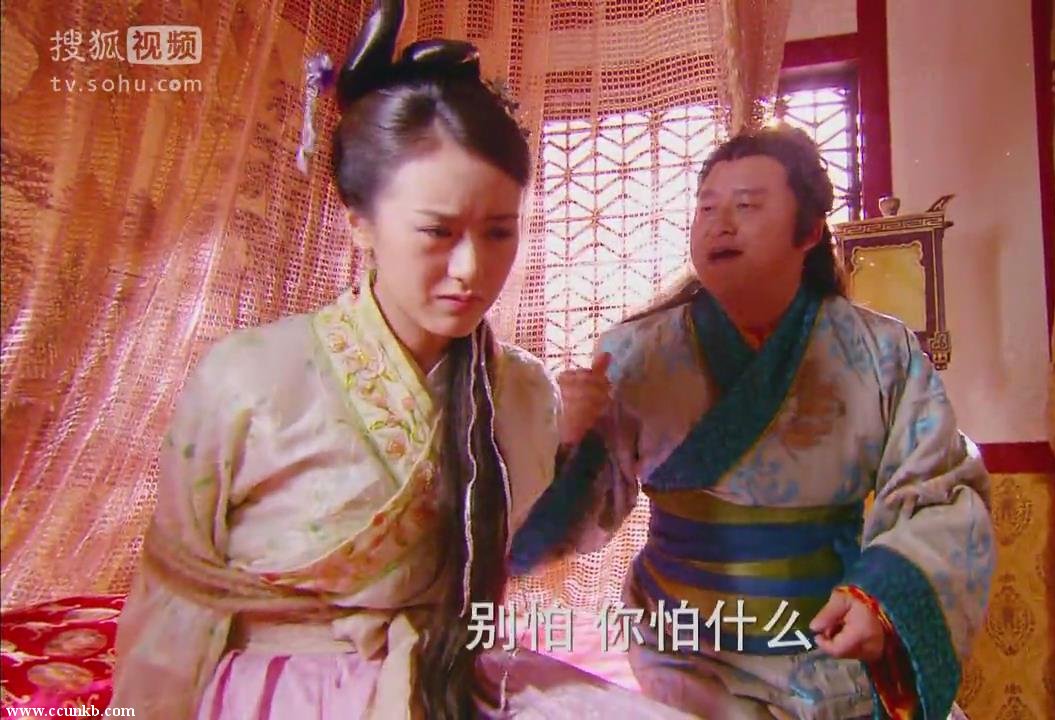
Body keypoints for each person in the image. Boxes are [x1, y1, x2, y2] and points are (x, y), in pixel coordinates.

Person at [108, 3, 690, 718]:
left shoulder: (519, 389)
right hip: (287, 687)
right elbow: (176, 595)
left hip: (452, 670)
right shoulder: (247, 377)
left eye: (499, 232)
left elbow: (526, 553)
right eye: (437, 232)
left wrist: (573, 443)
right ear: (360, 222)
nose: (471, 269)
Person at [510, 125, 994, 720]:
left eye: (747, 206)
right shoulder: (636, 352)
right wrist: (563, 439)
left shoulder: (880, 352)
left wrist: (885, 598)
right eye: (707, 207)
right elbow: (573, 517)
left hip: (833, 643)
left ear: (809, 232)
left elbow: (941, 492)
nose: (720, 224)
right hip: (685, 654)